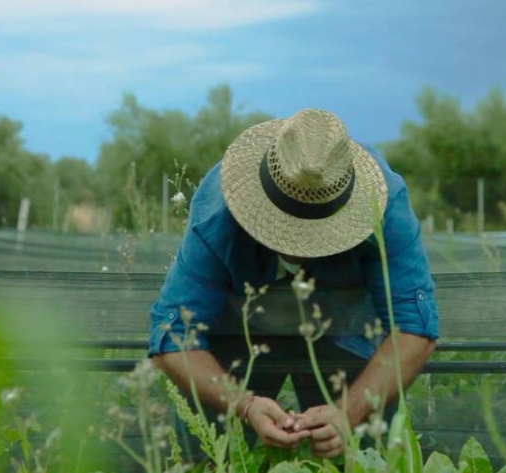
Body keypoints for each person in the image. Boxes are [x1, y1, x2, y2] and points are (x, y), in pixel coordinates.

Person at [148, 108, 439, 459]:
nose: (298, 248)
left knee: (367, 453)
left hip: (347, 332)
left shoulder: (384, 203)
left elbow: (413, 329)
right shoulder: (218, 211)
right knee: (213, 452)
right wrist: (244, 404)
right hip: (236, 334)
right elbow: (173, 334)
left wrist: (348, 414)